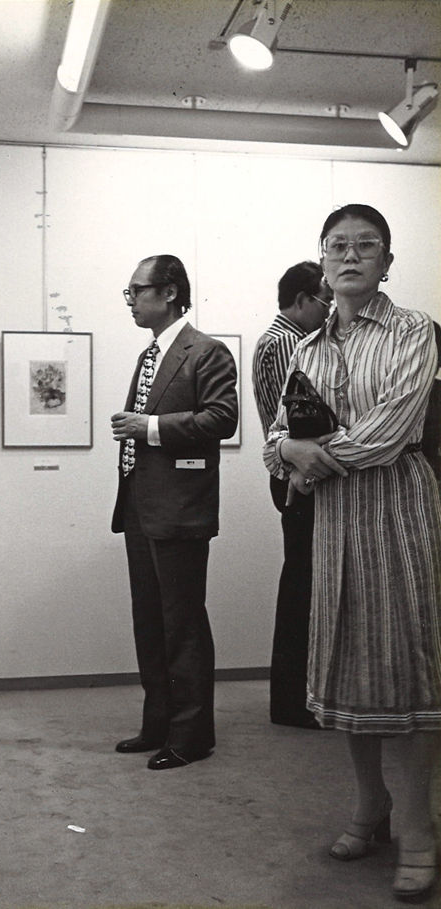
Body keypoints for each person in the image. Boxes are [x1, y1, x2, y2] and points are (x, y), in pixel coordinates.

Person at [264, 204, 441, 902]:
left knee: (407, 673)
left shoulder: (413, 330)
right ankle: (371, 806)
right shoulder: (306, 349)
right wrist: (288, 448)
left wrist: (307, 457)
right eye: (337, 245)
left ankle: (420, 828)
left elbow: (391, 430)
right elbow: (277, 434)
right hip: (336, 524)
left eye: (366, 245)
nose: (350, 255)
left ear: (387, 263)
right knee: (348, 669)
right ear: (322, 260)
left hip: (399, 514)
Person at [111, 254, 238, 770]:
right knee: (149, 621)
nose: (130, 301)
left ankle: (192, 736)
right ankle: (158, 723)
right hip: (141, 507)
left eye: (136, 291)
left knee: (182, 624)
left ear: (168, 293)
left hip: (181, 510)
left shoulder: (206, 351)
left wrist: (149, 428)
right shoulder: (150, 354)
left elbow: (222, 418)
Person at [252, 261, 332, 728]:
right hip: (296, 474)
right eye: (324, 301)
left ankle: (297, 698)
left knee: (302, 580)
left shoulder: (277, 338)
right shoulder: (289, 342)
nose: (328, 311)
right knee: (303, 584)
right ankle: (293, 701)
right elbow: (305, 417)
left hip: (291, 471)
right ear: (302, 300)